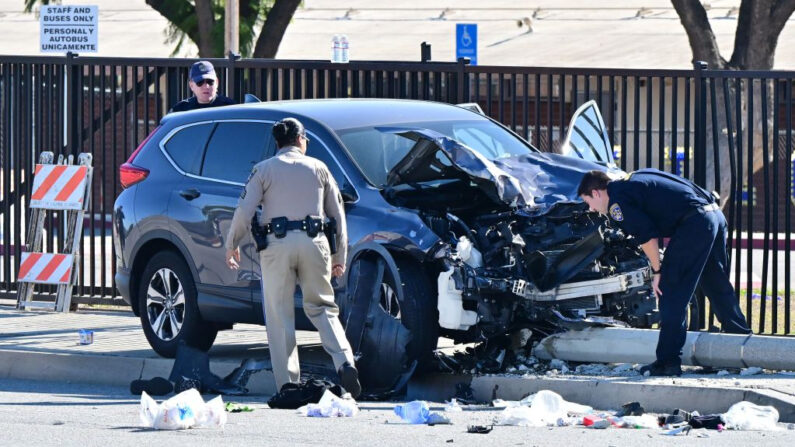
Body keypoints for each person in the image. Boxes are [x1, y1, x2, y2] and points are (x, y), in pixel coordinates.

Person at [224, 117, 361, 397]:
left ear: (277, 143)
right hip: (315, 244)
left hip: (277, 246)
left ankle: (288, 384)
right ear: (300, 140)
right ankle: (344, 361)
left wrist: (232, 244)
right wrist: (339, 255)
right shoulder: (320, 168)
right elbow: (338, 216)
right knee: (322, 308)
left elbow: (244, 211)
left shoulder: (262, 170)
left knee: (279, 314)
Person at [577, 169, 752, 376]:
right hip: (713, 215)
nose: (591, 208)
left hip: (694, 224)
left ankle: (668, 361)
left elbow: (647, 237)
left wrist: (658, 271)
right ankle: (744, 345)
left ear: (596, 192)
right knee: (717, 285)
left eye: (588, 201)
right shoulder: (633, 179)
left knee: (670, 291)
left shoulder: (617, 201)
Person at [169, 61, 235, 113]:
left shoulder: (230, 108)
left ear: (217, 82)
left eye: (210, 81)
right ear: (191, 85)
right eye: (200, 82)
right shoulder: (181, 110)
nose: (206, 86)